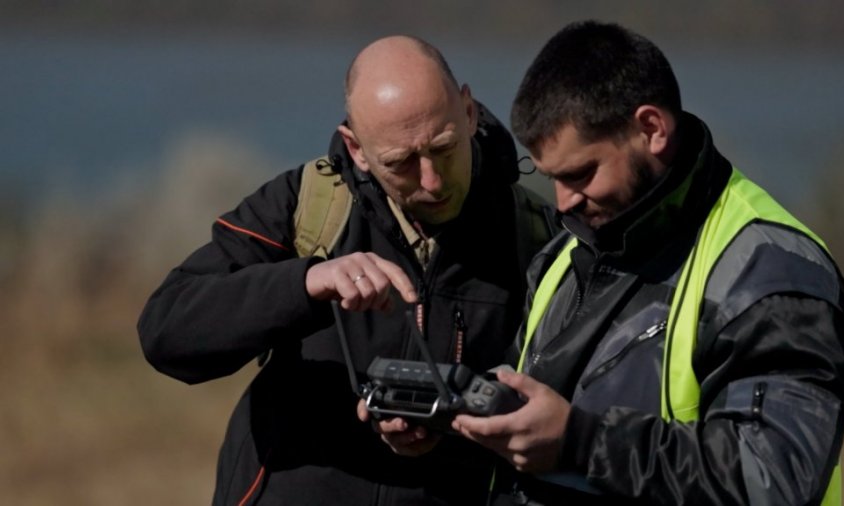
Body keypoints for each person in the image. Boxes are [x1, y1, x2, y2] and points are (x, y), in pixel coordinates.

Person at [452, 21, 844, 505]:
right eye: (551, 178)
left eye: (581, 173)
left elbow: (773, 478)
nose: (563, 202)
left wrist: (581, 443)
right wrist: (453, 418)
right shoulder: (566, 251)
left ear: (651, 129)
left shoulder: (773, 275)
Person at [138, 35, 556, 505]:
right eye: (400, 162)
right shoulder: (308, 204)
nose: (432, 180)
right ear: (356, 148)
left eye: (444, 146)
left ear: (469, 111)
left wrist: (454, 427)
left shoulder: (535, 236)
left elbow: (555, 413)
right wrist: (305, 284)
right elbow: (166, 332)